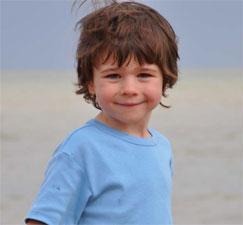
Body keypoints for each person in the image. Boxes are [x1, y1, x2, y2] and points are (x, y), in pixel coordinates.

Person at [25, 0, 179, 224]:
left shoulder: (162, 147)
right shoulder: (81, 150)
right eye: (113, 76)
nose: (129, 89)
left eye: (144, 74)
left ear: (165, 79)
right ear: (90, 82)